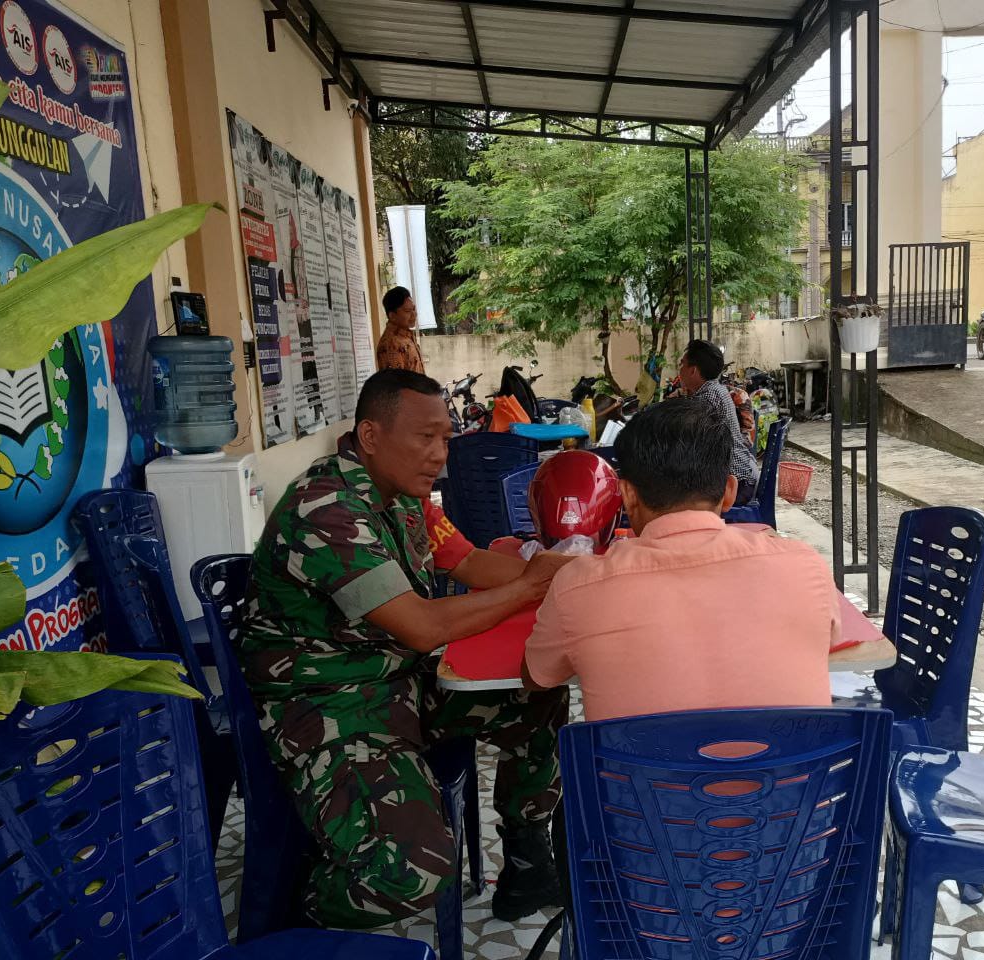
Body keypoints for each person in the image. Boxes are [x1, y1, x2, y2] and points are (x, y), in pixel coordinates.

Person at [237, 369, 572, 929]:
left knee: (538, 694)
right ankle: (300, 917)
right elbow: (420, 626)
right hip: (330, 706)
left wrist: (562, 575)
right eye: (425, 437)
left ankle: (526, 863)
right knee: (412, 870)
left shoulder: (405, 498)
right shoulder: (326, 509)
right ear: (371, 436)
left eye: (445, 438)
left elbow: (468, 562)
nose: (440, 453)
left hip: (399, 684)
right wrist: (529, 587)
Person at [522, 398, 841, 722]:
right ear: (729, 492)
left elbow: (536, 677)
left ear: (627, 495)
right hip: (791, 757)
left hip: (640, 759)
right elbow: (826, 641)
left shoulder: (578, 587)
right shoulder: (806, 567)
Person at [677, 339, 760, 506]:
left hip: (736, 485)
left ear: (693, 370)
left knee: (672, 498)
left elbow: (691, 444)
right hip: (742, 476)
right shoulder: (716, 389)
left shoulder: (706, 398)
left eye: (682, 364)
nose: (680, 369)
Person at [376, 286, 425, 373]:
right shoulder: (391, 344)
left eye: (414, 309)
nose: (414, 314)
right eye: (407, 311)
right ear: (392, 316)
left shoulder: (406, 336)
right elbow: (395, 381)